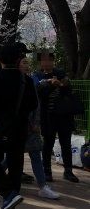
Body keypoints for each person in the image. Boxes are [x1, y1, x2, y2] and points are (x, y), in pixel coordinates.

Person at [0, 43, 38, 209]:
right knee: (15, 162)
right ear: (19, 59)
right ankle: (12, 196)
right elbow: (34, 104)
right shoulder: (25, 79)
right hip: (20, 128)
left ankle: (8, 194)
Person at [32, 51, 80, 183]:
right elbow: (38, 92)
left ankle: (68, 171)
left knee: (66, 143)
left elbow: (68, 90)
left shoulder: (61, 73)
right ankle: (47, 171)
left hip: (64, 115)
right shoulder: (37, 75)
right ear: (40, 62)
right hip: (48, 116)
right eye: (44, 60)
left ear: (53, 61)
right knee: (48, 144)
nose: (47, 63)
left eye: (49, 60)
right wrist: (50, 84)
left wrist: (62, 84)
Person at [18, 57, 60, 200]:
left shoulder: (32, 80)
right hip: (18, 126)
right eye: (23, 62)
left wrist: (36, 123)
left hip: (32, 126)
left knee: (36, 154)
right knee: (12, 155)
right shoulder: (12, 81)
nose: (27, 65)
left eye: (27, 62)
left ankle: (42, 186)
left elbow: (36, 103)